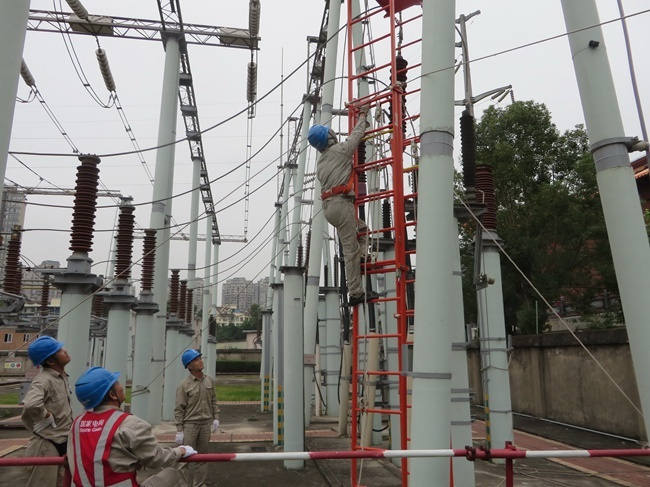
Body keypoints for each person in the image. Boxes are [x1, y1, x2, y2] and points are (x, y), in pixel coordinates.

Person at [68, 366, 197, 486]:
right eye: (117, 383)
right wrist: (180, 451)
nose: (121, 386)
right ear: (112, 395)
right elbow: (157, 458)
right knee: (171, 474)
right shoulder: (131, 423)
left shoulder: (77, 424)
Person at [308, 104, 379, 306]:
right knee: (350, 250)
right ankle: (356, 292)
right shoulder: (340, 151)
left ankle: (362, 257)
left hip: (330, 208)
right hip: (341, 204)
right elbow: (356, 136)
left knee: (362, 229)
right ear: (329, 137)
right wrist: (363, 115)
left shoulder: (321, 163)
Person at [21, 336, 73, 487]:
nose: (65, 351)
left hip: (61, 441)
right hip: (46, 445)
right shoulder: (44, 379)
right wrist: (46, 415)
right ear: (50, 361)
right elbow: (31, 404)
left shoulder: (61, 377)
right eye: (60, 350)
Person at [175, 349, 219, 487]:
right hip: (190, 425)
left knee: (203, 457)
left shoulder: (209, 379)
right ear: (189, 366)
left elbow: (213, 400)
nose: (200, 361)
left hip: (205, 424)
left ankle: (200, 484)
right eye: (195, 360)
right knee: (185, 457)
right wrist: (179, 430)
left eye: (200, 358)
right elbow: (179, 409)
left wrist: (216, 417)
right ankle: (183, 485)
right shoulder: (184, 385)